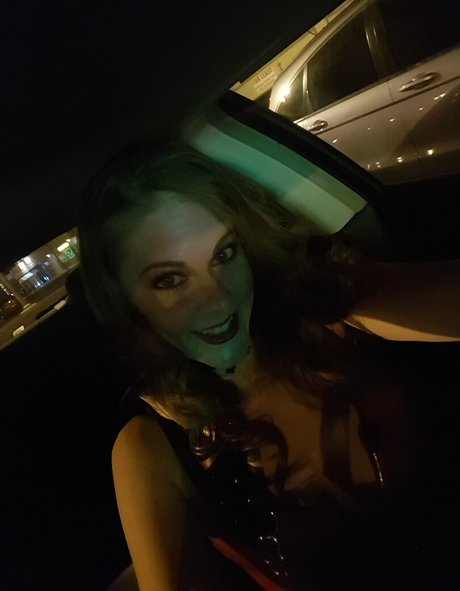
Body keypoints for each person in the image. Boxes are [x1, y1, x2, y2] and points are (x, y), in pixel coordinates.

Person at [77, 138, 460, 591]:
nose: (218, 300)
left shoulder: (324, 313)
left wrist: (340, 296)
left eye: (224, 255)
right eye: (170, 279)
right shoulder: (151, 447)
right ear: (123, 301)